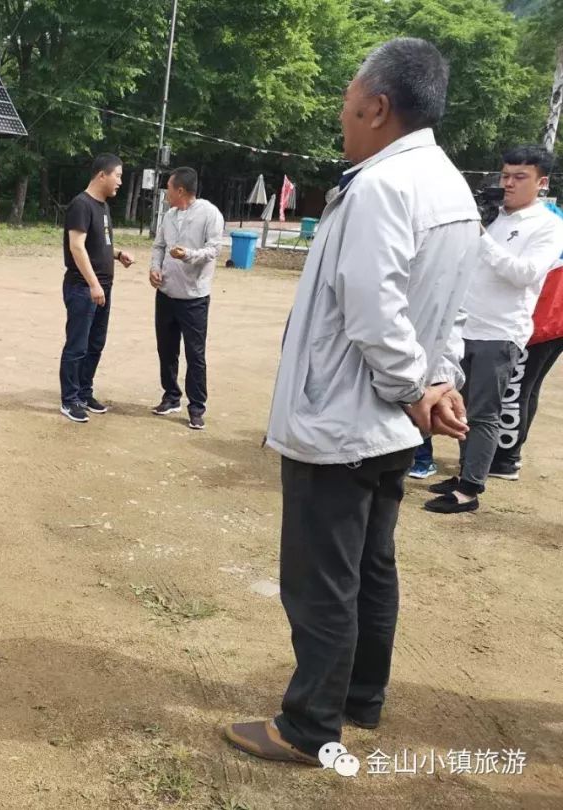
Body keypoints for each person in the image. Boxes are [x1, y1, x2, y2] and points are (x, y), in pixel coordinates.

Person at [224, 38, 478, 765]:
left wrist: (411, 387)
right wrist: (437, 383)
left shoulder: (381, 188)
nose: (341, 111)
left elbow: (373, 312)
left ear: (377, 105)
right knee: (371, 567)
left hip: (342, 420)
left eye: (347, 97)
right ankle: (360, 698)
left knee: (322, 583)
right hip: (394, 424)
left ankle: (308, 727)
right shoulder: (452, 188)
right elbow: (451, 312)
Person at [425, 146, 563, 513]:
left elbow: (526, 274)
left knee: (485, 412)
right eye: (505, 175)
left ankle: (470, 490)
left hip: (500, 332)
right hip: (464, 326)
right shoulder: (494, 216)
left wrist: (482, 236)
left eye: (520, 177)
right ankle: (464, 473)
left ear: (541, 182)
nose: (509, 184)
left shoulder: (548, 225)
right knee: (461, 407)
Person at [58, 154, 135, 423]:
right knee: (77, 344)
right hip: (83, 288)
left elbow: (97, 245)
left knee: (95, 344)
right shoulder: (81, 205)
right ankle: (69, 400)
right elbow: (77, 247)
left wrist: (118, 254)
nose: (120, 182)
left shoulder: (102, 206)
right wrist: (93, 284)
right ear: (102, 175)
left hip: (103, 287)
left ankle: (84, 392)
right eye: (118, 176)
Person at [148, 166, 224, 430]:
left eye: (168, 187)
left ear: (180, 190)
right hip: (167, 293)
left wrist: (189, 255)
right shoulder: (168, 216)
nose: (166, 192)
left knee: (195, 353)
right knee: (166, 349)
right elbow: (159, 246)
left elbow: (215, 249)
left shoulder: (209, 213)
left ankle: (196, 406)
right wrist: (155, 268)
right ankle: (171, 396)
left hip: (194, 297)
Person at [491, 249, 563, 479]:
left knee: (517, 390)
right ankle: (511, 453)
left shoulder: (547, 225)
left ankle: (505, 460)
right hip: (553, 322)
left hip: (542, 324)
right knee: (528, 389)